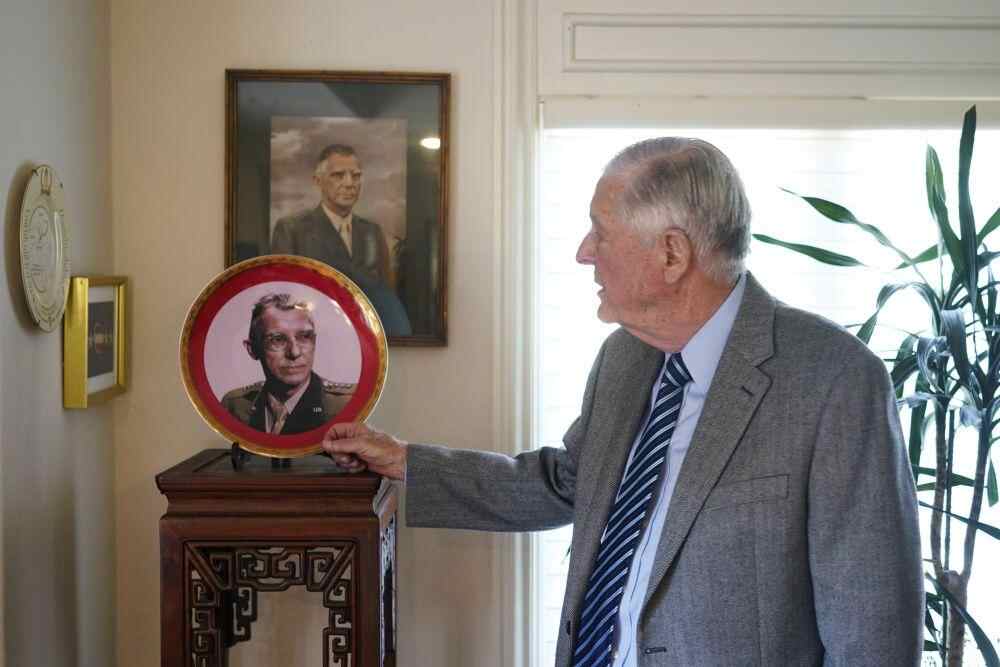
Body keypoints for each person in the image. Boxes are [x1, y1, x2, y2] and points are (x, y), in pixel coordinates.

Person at [322, 138, 924, 665]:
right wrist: (402, 459)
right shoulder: (623, 357)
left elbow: (873, 628)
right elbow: (566, 484)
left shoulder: (834, 380)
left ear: (672, 254)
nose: (584, 252)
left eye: (601, 233)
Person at [270, 143, 412, 336]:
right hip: (316, 336)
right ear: (318, 181)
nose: (349, 183)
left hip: (366, 337)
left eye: (356, 176)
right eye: (338, 175)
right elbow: (282, 295)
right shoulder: (292, 229)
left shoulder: (371, 231)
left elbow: (385, 295)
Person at [222, 293, 355, 435]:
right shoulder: (235, 405)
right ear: (252, 349)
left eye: (305, 337)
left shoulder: (347, 404)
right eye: (277, 339)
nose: (294, 352)